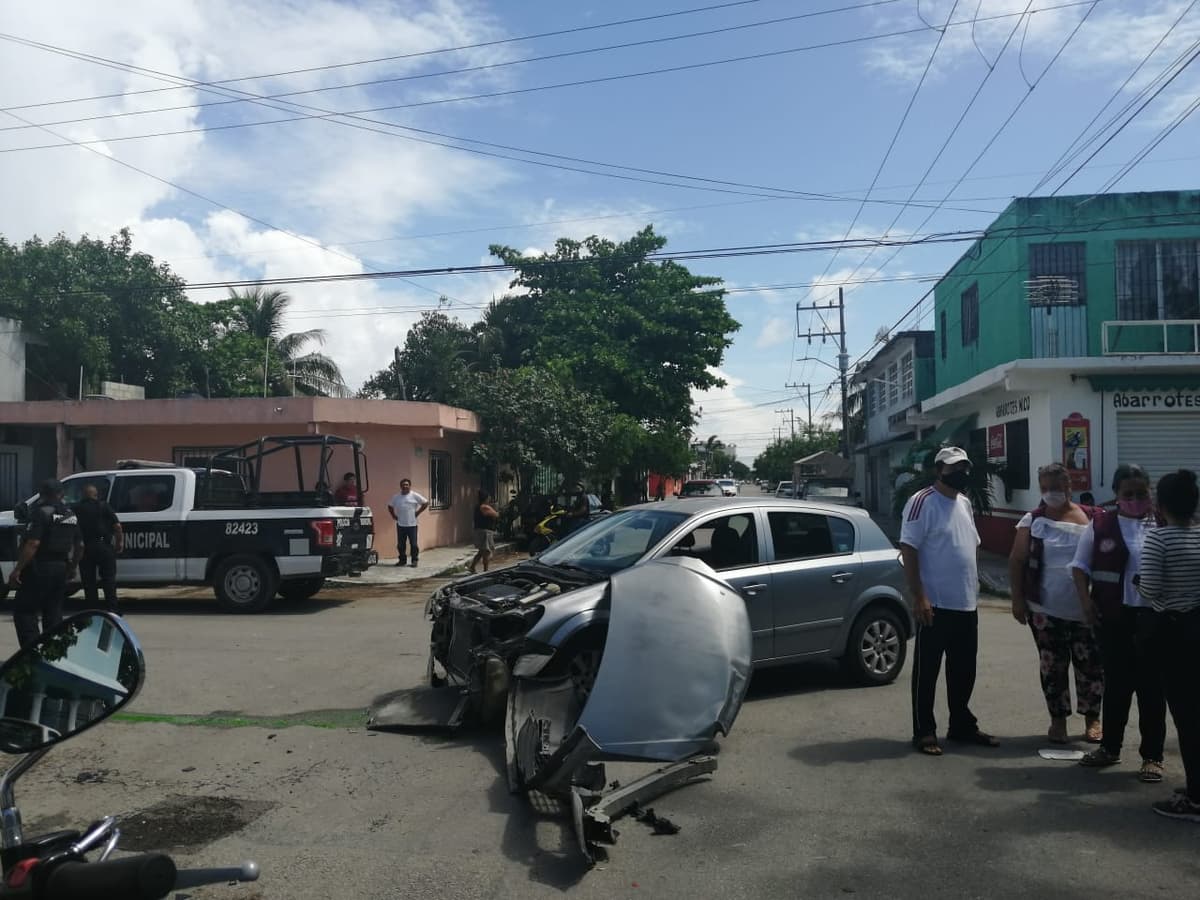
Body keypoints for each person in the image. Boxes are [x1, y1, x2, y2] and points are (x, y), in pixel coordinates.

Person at [1071, 463, 1166, 783]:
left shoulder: (1162, 523)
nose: (1136, 499)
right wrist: (1086, 604)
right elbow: (1080, 567)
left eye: (1142, 493)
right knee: (1117, 689)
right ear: (1116, 495)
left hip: (1154, 619)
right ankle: (1110, 748)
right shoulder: (1100, 525)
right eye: (1129, 494)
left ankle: (1152, 757)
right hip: (1114, 618)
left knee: (1152, 690)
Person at [900, 446, 998, 756]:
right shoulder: (921, 502)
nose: (961, 474)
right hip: (935, 604)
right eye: (954, 468)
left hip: (966, 602)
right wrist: (920, 596)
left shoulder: (965, 504)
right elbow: (909, 548)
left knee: (964, 670)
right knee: (927, 672)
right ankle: (924, 731)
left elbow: (972, 546)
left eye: (965, 468)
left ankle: (961, 725)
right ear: (938, 470)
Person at [1008, 463, 1102, 745]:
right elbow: (1017, 560)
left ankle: (1093, 721)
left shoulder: (1092, 518)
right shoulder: (1033, 520)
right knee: (1053, 668)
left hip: (1086, 609)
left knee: (1091, 667)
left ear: (1069, 487)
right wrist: (1017, 600)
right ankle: (1057, 723)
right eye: (1045, 488)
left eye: (1056, 487)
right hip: (1044, 610)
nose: (1050, 493)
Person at [1135, 469, 1200, 821]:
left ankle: (1195, 798)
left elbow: (1151, 590)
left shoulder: (1159, 540)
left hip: (1174, 635)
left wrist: (1140, 582)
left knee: (1187, 717)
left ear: (1161, 506)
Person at [6, 479, 83, 648]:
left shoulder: (40, 513)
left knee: (25, 611)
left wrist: (18, 570)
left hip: (40, 568)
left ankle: (32, 655)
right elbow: (80, 546)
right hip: (61, 568)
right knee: (53, 614)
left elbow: (33, 543)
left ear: (41, 494)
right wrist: (71, 568)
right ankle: (54, 654)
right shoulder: (70, 514)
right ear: (61, 494)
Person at [73, 482, 124, 615]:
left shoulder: (76, 508)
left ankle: (92, 610)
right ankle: (112, 609)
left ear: (83, 495)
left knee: (89, 582)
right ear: (96, 495)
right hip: (104, 547)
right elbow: (117, 527)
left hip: (86, 547)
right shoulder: (104, 506)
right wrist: (119, 542)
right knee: (109, 579)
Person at [388, 478, 429, 568]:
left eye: (407, 484)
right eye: (403, 485)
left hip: (412, 525)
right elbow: (390, 506)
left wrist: (418, 512)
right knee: (400, 545)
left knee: (413, 544)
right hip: (401, 524)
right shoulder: (396, 497)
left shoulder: (414, 495)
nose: (405, 486)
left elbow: (425, 503)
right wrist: (393, 515)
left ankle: (414, 560)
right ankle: (402, 560)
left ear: (410, 486)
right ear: (400, 486)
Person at [468, 490, 500, 575]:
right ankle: (485, 570)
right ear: (486, 498)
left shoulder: (478, 507)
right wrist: (495, 509)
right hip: (485, 532)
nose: (490, 498)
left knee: (481, 552)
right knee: (486, 552)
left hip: (480, 531)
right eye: (489, 497)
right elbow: (496, 515)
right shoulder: (484, 507)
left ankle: (472, 567)